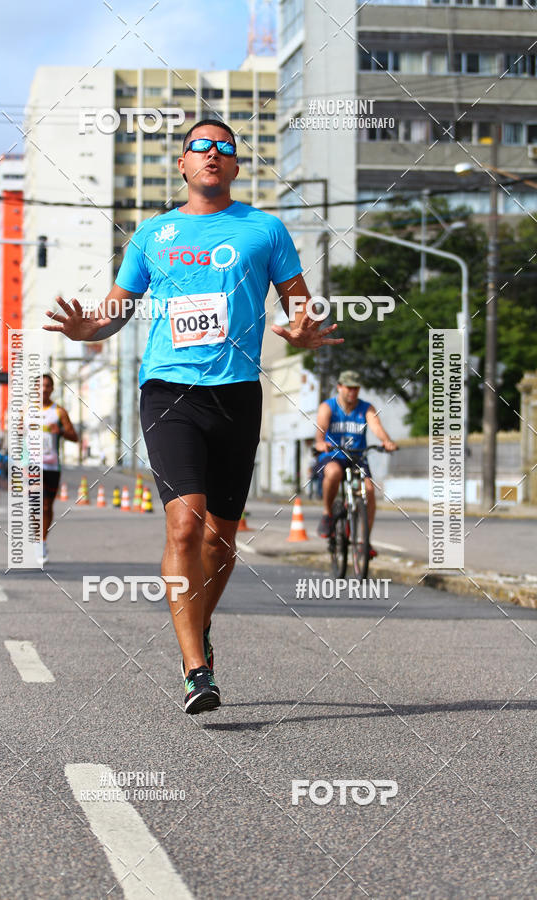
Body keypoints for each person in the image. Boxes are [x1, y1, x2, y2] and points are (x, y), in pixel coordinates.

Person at [44, 118, 341, 714]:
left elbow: (300, 304)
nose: (212, 154)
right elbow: (112, 314)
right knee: (185, 526)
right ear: (182, 164)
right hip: (169, 392)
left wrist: (306, 328)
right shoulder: (153, 234)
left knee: (221, 539)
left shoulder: (265, 229)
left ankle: (196, 623)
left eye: (224, 148)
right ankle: (195, 667)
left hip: (237, 395)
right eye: (200, 147)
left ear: (235, 166)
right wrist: (87, 329)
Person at [315, 371, 397, 551]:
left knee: (369, 490)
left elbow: (376, 426)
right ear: (339, 387)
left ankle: (363, 541)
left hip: (358, 456)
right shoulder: (328, 407)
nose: (353, 391)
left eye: (356, 388)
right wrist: (320, 443)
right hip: (333, 455)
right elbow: (321, 428)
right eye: (349, 387)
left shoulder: (366, 408)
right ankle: (327, 513)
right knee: (334, 473)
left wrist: (387, 441)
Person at [35, 373, 78, 565]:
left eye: (47, 386)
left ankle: (42, 542)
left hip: (52, 465)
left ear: (52, 389)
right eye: (40, 386)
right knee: (34, 505)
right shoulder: (25, 411)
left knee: (46, 506)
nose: (44, 389)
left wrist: (59, 431)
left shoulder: (59, 411)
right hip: (31, 465)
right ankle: (36, 539)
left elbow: (74, 436)